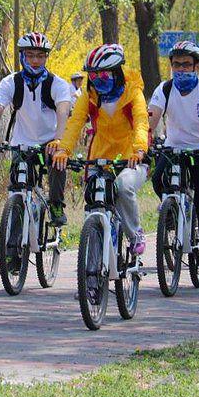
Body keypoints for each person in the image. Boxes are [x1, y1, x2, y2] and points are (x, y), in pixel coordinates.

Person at [52, 44, 149, 256]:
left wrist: (139, 150)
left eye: (103, 74)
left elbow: (142, 121)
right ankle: (92, 272)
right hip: (99, 157)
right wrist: (64, 150)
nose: (98, 80)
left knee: (123, 187)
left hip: (131, 158)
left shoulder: (133, 92)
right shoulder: (90, 95)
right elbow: (75, 123)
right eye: (93, 76)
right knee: (94, 201)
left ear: (117, 71)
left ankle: (135, 234)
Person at [147, 40, 199, 273]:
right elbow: (153, 118)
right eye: (177, 64)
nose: (181, 69)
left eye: (187, 65)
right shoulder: (165, 89)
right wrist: (143, 141)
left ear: (197, 66)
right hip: (173, 148)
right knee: (158, 179)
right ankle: (171, 214)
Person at [0, 32, 72, 225]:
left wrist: (59, 139)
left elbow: (63, 111)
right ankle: (14, 232)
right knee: (18, 184)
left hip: (51, 140)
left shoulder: (57, 84)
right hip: (22, 142)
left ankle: (56, 204)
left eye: (41, 56)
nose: (36, 61)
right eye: (30, 55)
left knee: (58, 164)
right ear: (22, 56)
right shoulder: (11, 82)